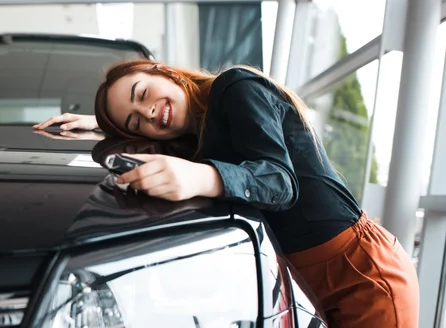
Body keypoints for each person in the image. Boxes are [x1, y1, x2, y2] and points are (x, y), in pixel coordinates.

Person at [33, 59, 420, 327]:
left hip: (358, 272)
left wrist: (202, 179)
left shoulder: (236, 87)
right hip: (304, 277)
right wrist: (99, 126)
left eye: (143, 93)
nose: (149, 112)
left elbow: (279, 182)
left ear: (165, 73)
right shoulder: (194, 136)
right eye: (136, 121)